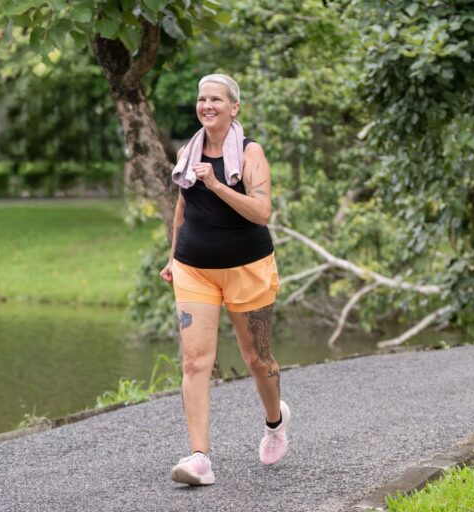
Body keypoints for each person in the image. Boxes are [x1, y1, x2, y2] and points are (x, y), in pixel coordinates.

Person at [160, 73, 289, 486]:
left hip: (248, 269)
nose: (207, 105)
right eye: (201, 99)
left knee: (258, 359)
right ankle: (200, 458)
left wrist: (215, 184)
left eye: (216, 99)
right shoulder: (188, 152)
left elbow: (261, 212)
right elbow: (184, 207)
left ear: (234, 107)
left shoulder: (251, 153)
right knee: (195, 362)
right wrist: (172, 256)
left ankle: (275, 420)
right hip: (194, 269)